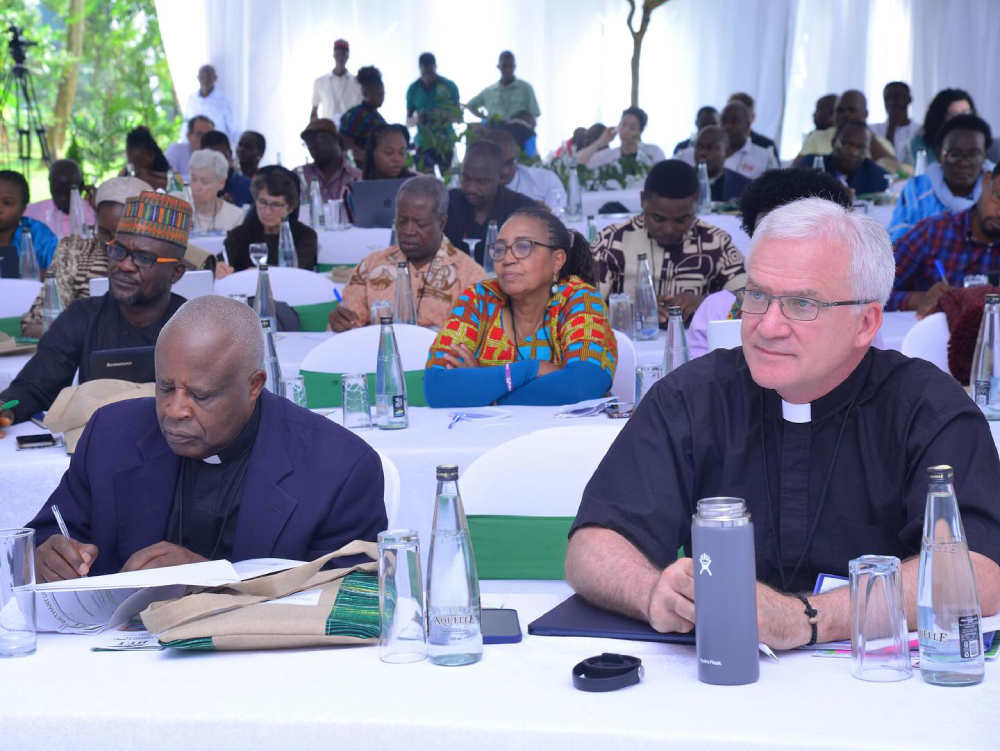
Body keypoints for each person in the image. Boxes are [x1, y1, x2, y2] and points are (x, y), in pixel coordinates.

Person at [567, 197, 1000, 649]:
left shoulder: (929, 410)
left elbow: (978, 572)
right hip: (717, 678)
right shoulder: (692, 397)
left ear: (866, 323)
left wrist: (808, 618)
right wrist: (650, 592)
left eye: (801, 303)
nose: (767, 326)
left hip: (878, 683)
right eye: (757, 295)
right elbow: (594, 544)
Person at [27, 295, 386, 579]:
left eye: (200, 395)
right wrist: (48, 558)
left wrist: (215, 583)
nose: (174, 410)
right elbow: (42, 540)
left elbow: (347, 602)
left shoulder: (340, 468)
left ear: (253, 386)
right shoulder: (111, 433)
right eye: (165, 387)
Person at [0, 192, 190, 434]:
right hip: (98, 453)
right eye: (118, 250)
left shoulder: (192, 328)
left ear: (176, 272)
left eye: (143, 258)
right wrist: (6, 407)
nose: (123, 265)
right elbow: (36, 386)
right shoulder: (83, 316)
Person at [425, 206, 616, 407]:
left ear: (557, 260)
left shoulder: (579, 299)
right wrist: (530, 369)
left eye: (523, 247)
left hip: (565, 434)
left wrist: (485, 390)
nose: (507, 259)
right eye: (500, 249)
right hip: (488, 436)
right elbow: (436, 388)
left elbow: (582, 387)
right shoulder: (479, 299)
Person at [686, 169, 854, 358]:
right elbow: (699, 381)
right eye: (766, 233)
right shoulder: (718, 309)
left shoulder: (848, 312)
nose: (778, 246)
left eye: (793, 234)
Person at [590, 160, 746, 321]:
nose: (669, 229)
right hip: (624, 343)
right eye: (658, 219)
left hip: (700, 344)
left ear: (696, 202)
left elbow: (754, 300)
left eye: (681, 220)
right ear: (643, 200)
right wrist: (630, 312)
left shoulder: (716, 243)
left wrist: (708, 303)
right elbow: (580, 304)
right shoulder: (611, 241)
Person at [331, 176, 486, 332]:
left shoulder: (470, 276)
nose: (408, 231)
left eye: (420, 224)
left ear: (441, 223)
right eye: (402, 221)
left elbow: (478, 341)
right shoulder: (371, 265)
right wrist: (341, 323)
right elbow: (351, 326)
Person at [21, 177, 152, 338]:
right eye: (104, 232)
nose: (111, 243)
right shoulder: (76, 252)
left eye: (122, 234)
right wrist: (83, 334)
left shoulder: (160, 260)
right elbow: (34, 325)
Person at [888, 167, 1000, 316]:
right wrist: (918, 299)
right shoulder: (934, 232)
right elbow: (867, 292)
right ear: (986, 181)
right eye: (998, 197)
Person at [888, 114, 993, 243]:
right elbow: (897, 244)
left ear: (985, 156)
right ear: (938, 156)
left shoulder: (995, 190)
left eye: (974, 154)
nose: (964, 163)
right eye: (954, 154)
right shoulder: (917, 189)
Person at [442, 140, 537, 265]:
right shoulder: (446, 204)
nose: (471, 188)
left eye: (481, 182)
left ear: (500, 178)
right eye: (465, 178)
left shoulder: (522, 210)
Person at [222, 167, 318, 273]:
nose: (268, 211)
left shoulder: (305, 235)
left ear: (290, 207)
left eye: (276, 205)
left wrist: (259, 271)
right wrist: (220, 267)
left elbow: (297, 268)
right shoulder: (240, 234)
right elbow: (223, 260)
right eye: (263, 203)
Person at [795, 90, 895, 167]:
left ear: (865, 114)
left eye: (851, 110)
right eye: (840, 111)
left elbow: (896, 174)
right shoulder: (817, 137)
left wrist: (869, 139)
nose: (845, 115)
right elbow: (795, 170)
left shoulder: (880, 143)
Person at [406, 52, 462, 174]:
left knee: (447, 178)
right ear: (420, 69)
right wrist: (417, 119)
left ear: (435, 67)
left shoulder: (449, 86)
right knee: (424, 180)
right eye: (424, 73)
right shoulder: (413, 89)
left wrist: (442, 116)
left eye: (430, 72)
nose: (427, 77)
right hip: (423, 144)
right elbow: (408, 122)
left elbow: (459, 117)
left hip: (445, 142)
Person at [482, 128, 564, 206]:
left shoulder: (545, 180)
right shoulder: (475, 189)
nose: (505, 171)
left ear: (516, 154)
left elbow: (559, 217)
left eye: (510, 162)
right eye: (499, 164)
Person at [0, 170, 58, 271]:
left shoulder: (39, 235)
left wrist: (27, 276)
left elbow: (60, 274)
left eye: (8, 203)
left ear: (23, 209)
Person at [23, 159, 96, 239]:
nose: (62, 198)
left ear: (81, 186)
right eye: (57, 191)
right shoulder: (31, 214)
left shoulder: (94, 211)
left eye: (67, 192)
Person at [577, 107, 666, 171]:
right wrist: (600, 142)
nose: (626, 131)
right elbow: (576, 163)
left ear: (640, 131)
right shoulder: (607, 156)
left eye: (632, 127)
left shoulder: (653, 152)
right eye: (623, 125)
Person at [906, 88, 976, 167]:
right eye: (953, 115)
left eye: (965, 113)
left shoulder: (984, 145)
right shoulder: (918, 145)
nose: (960, 120)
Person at [819, 119, 890, 195]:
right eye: (848, 145)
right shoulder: (813, 165)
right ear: (833, 143)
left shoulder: (878, 177)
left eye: (861, 147)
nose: (853, 153)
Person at [297, 118, 361, 202]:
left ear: (336, 139)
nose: (312, 145)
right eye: (308, 141)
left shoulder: (357, 177)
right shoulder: (298, 176)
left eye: (319, 138)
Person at [467, 51, 541, 122]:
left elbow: (534, 114)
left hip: (519, 131)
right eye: (505, 66)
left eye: (510, 66)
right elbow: (470, 105)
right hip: (495, 130)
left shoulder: (526, 88)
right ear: (499, 67)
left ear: (514, 66)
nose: (508, 69)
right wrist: (486, 119)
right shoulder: (489, 91)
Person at [184, 150, 245, 233]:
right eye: (193, 179)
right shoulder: (176, 208)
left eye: (205, 181)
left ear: (221, 183)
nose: (196, 187)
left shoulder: (236, 216)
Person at [716, 101, 778, 180]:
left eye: (735, 121)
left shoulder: (765, 158)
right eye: (724, 121)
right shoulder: (706, 151)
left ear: (747, 125)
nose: (728, 126)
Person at [339, 66, 387, 167]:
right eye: (378, 95)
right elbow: (345, 143)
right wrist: (368, 157)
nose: (382, 98)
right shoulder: (354, 115)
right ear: (365, 93)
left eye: (383, 94)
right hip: (358, 168)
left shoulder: (378, 117)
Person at [690, 126, 751, 202]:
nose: (702, 153)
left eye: (710, 147)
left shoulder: (744, 186)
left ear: (727, 152)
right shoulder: (681, 180)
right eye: (699, 147)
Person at [311, 38, 363, 125]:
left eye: (344, 52)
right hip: (328, 132)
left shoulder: (357, 83)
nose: (341, 55)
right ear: (333, 54)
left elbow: (362, 111)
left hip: (350, 133)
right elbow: (314, 110)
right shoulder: (320, 82)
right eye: (338, 51)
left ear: (348, 55)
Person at [182, 65, 238, 144]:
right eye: (202, 77)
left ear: (215, 78)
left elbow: (234, 129)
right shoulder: (192, 100)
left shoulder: (224, 101)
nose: (205, 80)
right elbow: (186, 125)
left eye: (208, 77)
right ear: (198, 78)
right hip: (195, 147)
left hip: (216, 145)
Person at [200, 130, 253, 207]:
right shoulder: (196, 186)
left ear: (230, 154)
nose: (217, 163)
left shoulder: (249, 187)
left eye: (221, 157)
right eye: (211, 159)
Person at [871, 81, 920, 162]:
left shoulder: (920, 131)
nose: (892, 103)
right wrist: (891, 126)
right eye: (887, 99)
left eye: (897, 97)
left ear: (909, 99)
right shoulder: (873, 130)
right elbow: (885, 162)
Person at [728, 93, 780, 162]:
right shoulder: (718, 143)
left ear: (752, 117)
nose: (731, 124)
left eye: (738, 119)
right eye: (729, 117)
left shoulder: (767, 146)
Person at [166, 115, 215, 183]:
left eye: (209, 136)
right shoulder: (176, 150)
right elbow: (169, 176)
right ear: (188, 136)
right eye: (199, 135)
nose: (205, 139)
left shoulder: (218, 155)